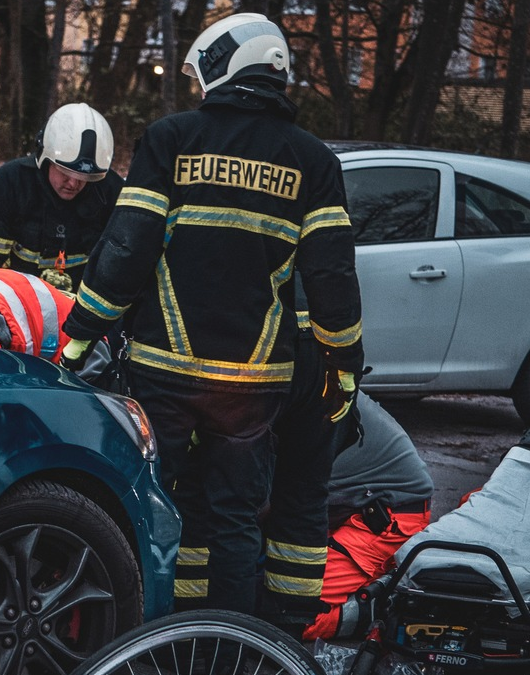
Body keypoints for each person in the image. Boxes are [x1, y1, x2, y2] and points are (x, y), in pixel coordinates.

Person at [60, 12, 364, 627]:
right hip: (253, 385)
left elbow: (126, 251)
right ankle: (233, 644)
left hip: (166, 372)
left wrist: (77, 338)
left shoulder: (171, 138)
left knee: (153, 502)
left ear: (224, 65)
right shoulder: (313, 161)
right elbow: (332, 280)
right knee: (235, 519)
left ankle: (147, 635)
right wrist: (344, 367)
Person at [304, 391, 433, 641]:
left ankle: (384, 606)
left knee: (302, 615)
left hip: (388, 517)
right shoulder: (310, 385)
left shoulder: (310, 395)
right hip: (347, 508)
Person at [0, 103, 123, 294]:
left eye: (85, 177)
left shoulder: (111, 193)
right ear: (45, 158)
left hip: (84, 305)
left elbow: (122, 271)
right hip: (15, 300)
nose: (73, 183)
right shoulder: (9, 185)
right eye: (65, 172)